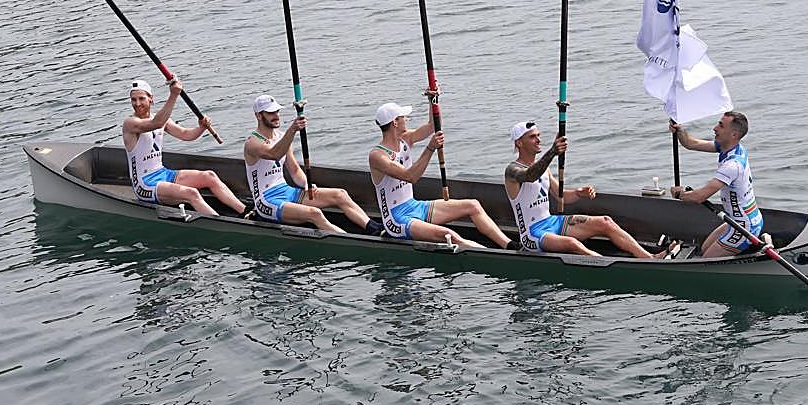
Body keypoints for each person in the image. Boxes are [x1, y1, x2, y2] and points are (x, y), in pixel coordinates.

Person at [504, 121, 663, 258]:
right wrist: (553, 152)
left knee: (605, 222)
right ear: (519, 143)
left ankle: (650, 257)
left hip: (552, 222)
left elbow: (561, 196)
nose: (538, 139)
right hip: (532, 234)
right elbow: (530, 176)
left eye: (538, 135)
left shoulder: (544, 168)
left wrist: (579, 193)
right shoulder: (512, 171)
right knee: (572, 243)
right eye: (532, 137)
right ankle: (610, 266)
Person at [368, 102, 513, 250]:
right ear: (395, 122)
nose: (407, 119)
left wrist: (433, 100)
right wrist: (430, 148)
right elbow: (410, 176)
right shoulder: (377, 156)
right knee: (448, 235)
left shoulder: (405, 139)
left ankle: (510, 246)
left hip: (414, 206)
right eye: (404, 117)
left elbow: (432, 126)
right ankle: (491, 255)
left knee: (473, 205)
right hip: (396, 219)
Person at [244, 94, 383, 235]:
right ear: (258, 116)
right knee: (315, 213)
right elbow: (274, 154)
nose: (276, 116)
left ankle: (375, 229)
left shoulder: (280, 137)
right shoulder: (252, 143)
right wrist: (292, 130)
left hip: (286, 191)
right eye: (270, 113)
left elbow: (294, 169)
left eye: (277, 111)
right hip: (266, 201)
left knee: (340, 195)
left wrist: (306, 184)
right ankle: (350, 240)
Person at [122, 78, 247, 216]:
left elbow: (186, 135)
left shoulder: (161, 119)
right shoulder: (130, 123)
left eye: (141, 98)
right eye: (133, 100)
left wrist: (201, 127)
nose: (137, 103)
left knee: (209, 176)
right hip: (144, 184)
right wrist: (174, 94)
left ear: (151, 98)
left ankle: (246, 212)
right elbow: (156, 123)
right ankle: (221, 223)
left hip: (163, 174)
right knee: (191, 193)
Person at [669, 111, 765, 257]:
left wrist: (679, 194)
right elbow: (690, 143)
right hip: (737, 221)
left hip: (745, 227)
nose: (714, 128)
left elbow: (698, 197)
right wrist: (680, 131)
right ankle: (753, 246)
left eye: (721, 125)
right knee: (703, 250)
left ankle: (755, 245)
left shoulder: (732, 166)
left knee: (706, 260)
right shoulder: (729, 147)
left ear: (734, 134)